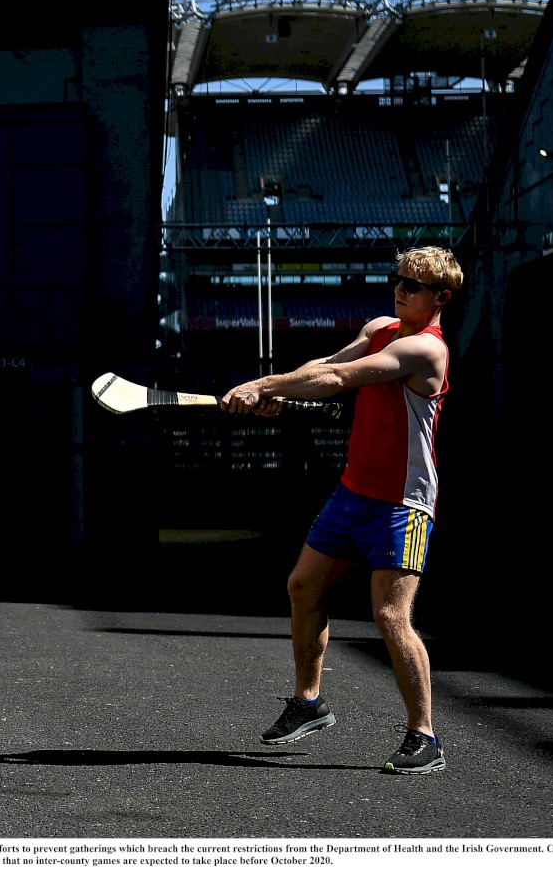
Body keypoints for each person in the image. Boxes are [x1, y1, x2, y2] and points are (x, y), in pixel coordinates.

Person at [219, 245, 462, 775]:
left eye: (413, 285)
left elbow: (339, 382)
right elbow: (325, 367)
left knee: (391, 615)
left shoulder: (426, 351)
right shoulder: (380, 327)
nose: (400, 289)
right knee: (303, 586)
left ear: (440, 298)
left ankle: (425, 736)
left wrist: (261, 384)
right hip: (354, 492)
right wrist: (282, 395)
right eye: (397, 279)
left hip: (404, 503)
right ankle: (309, 702)